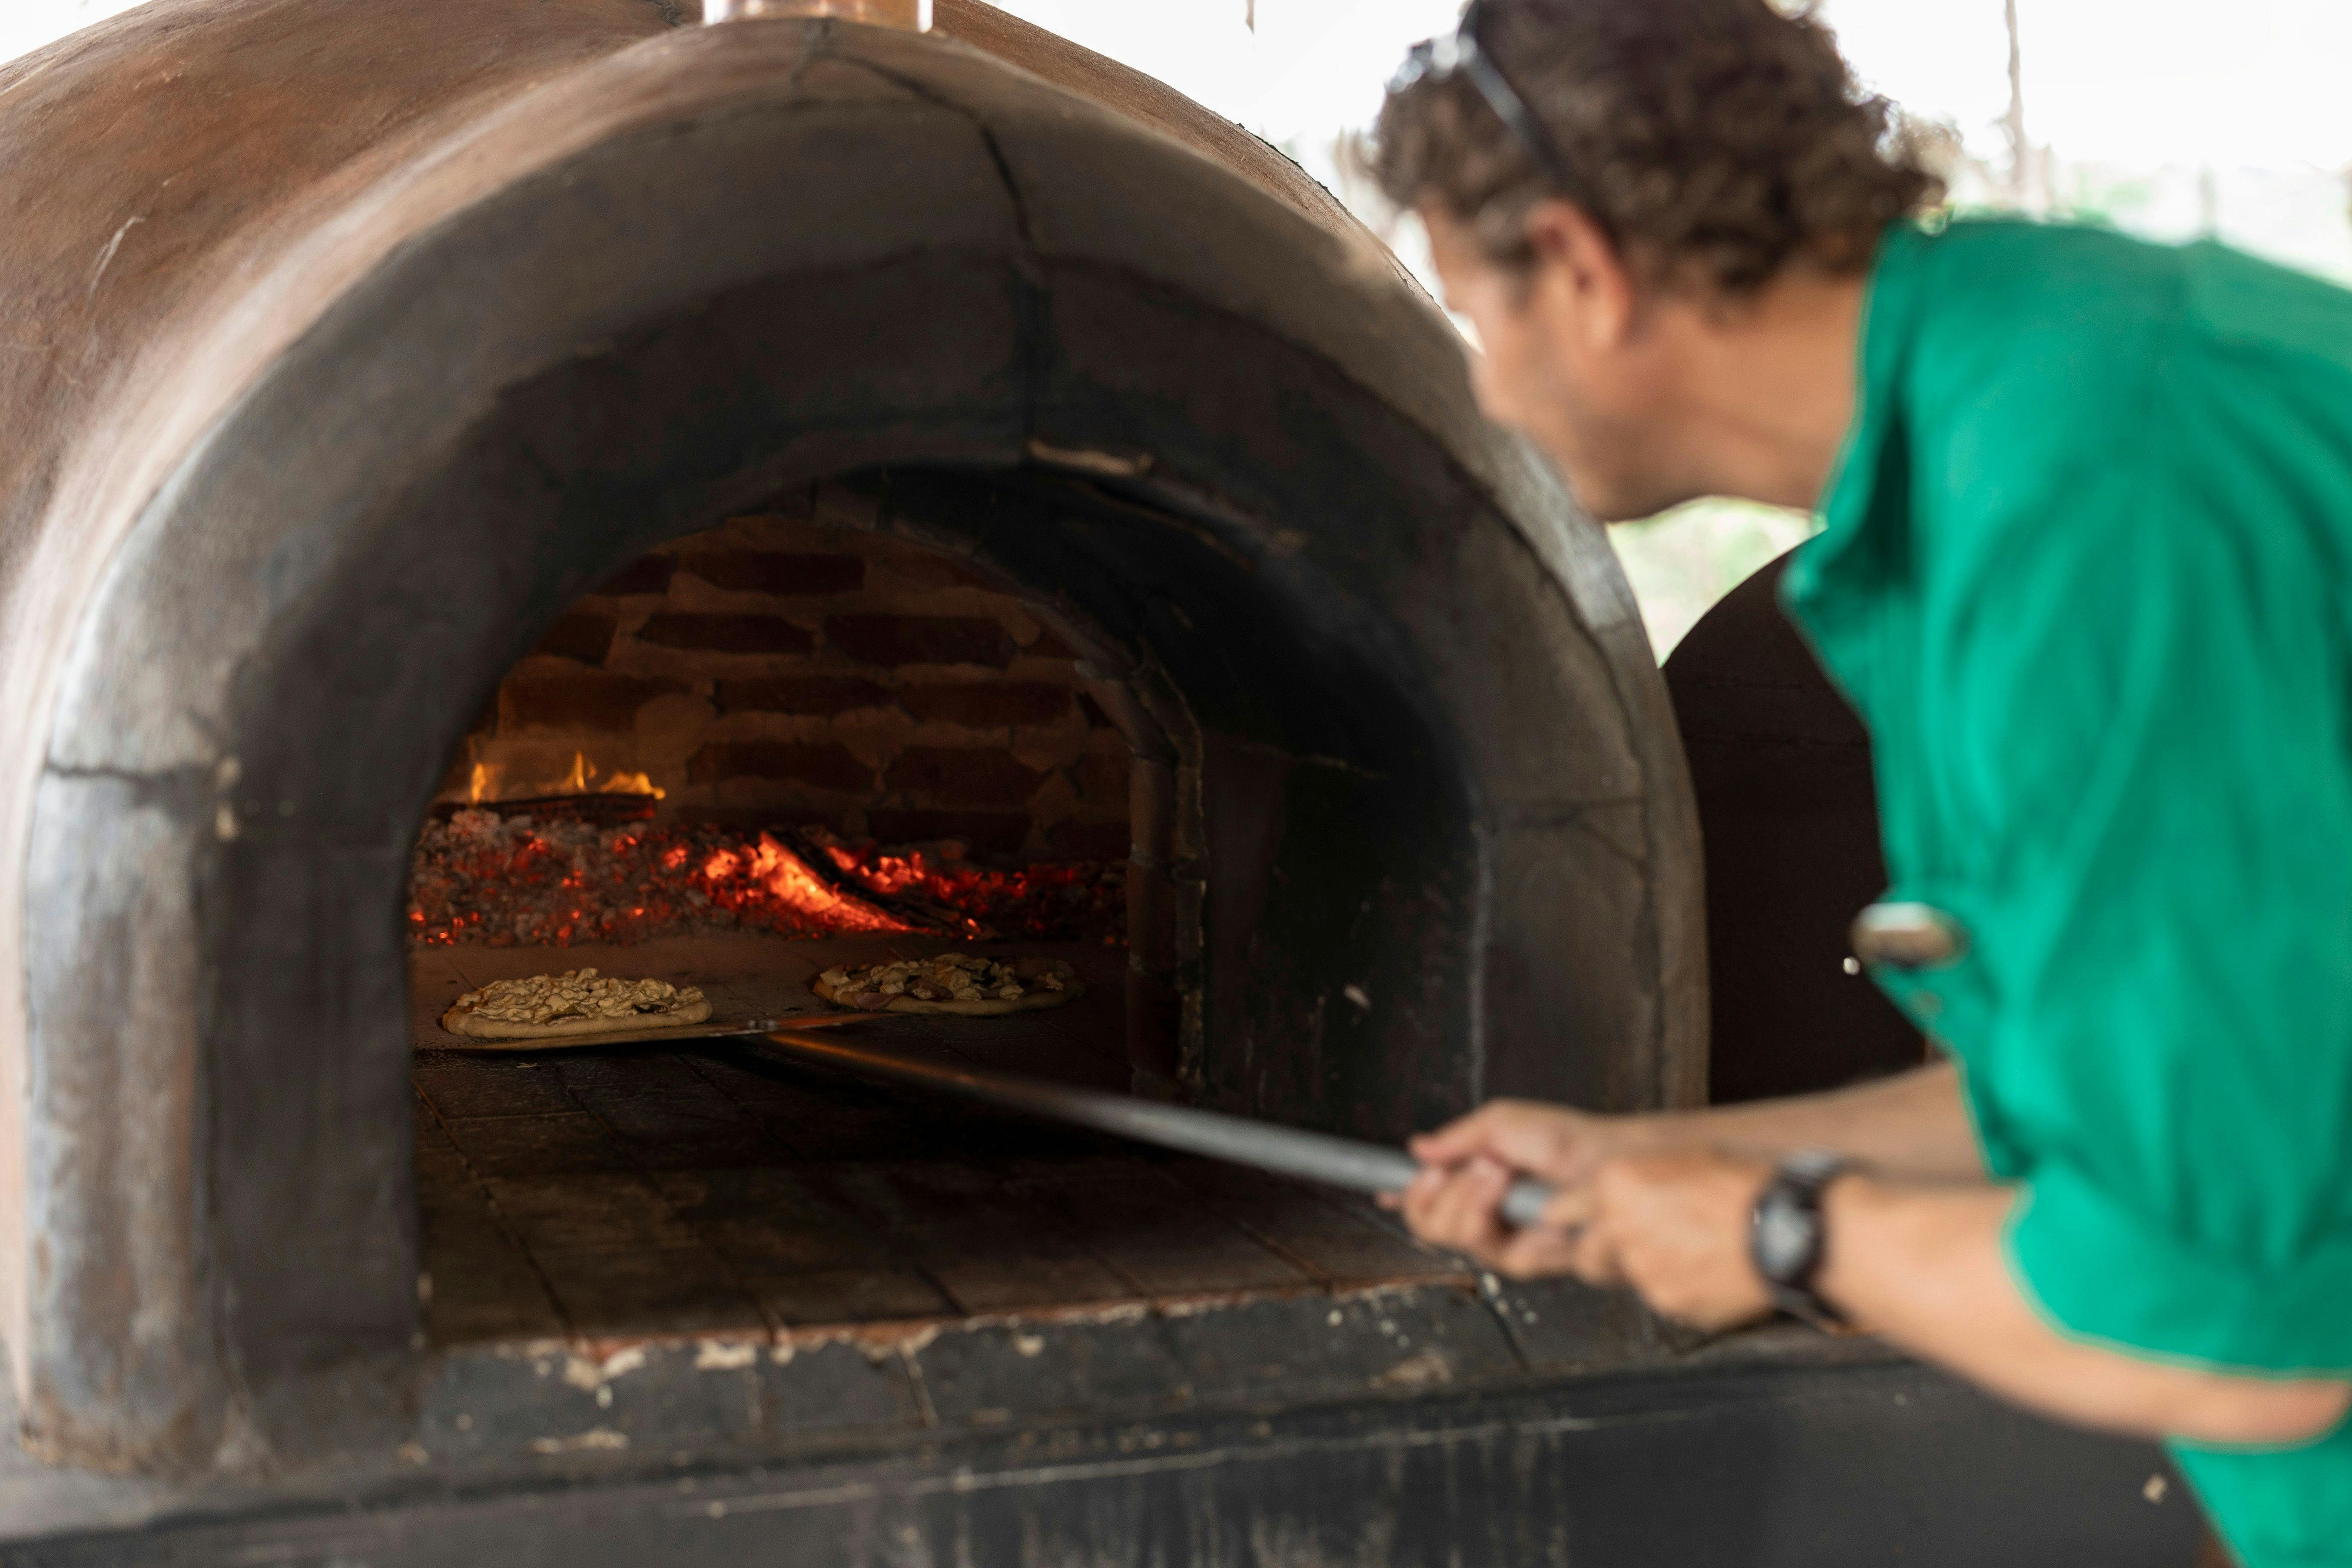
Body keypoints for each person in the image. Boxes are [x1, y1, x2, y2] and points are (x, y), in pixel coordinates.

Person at [1370, 3, 2352, 1564]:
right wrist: (1669, 1163)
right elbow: (2105, 1100)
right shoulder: (2003, 414)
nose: (1489, 390)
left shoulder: (2083, 499)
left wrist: (1778, 1234)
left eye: (1477, 318)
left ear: (1579, 266)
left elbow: (2238, 1322)